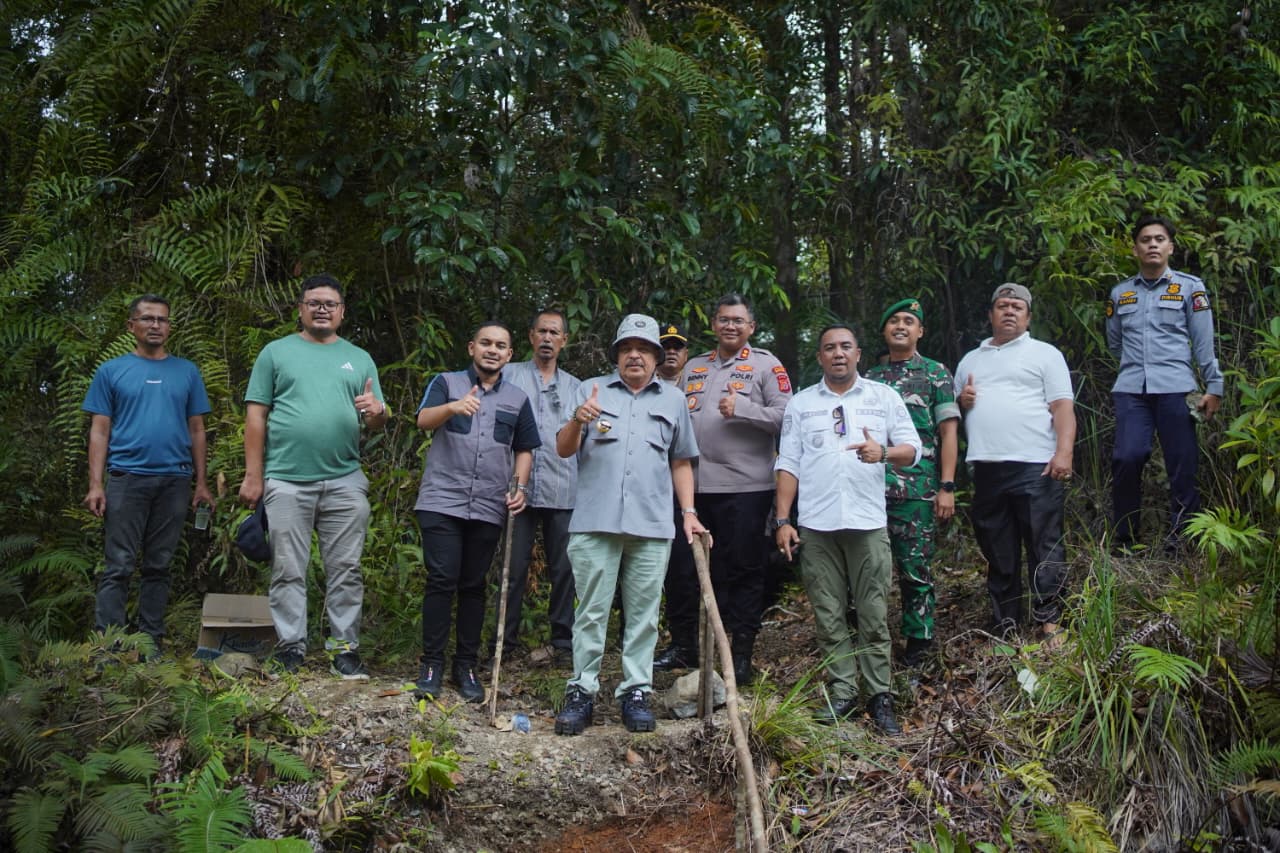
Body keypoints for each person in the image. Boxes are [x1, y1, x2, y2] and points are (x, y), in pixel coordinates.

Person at [553, 314, 707, 735]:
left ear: (657, 357)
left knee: (643, 615)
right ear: (616, 355)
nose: (634, 355)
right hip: (595, 521)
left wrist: (688, 512)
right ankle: (581, 690)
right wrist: (577, 420)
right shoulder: (591, 390)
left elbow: (681, 460)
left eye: (643, 349)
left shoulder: (673, 400)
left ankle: (636, 691)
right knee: (590, 612)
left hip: (652, 525)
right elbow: (563, 449)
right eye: (626, 348)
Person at [240, 274, 388, 678]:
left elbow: (376, 418)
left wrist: (378, 412)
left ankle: (344, 649)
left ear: (342, 312)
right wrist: (254, 475)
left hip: (344, 478)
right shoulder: (276, 353)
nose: (322, 309)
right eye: (314, 303)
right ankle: (291, 647)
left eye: (330, 304)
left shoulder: (359, 358)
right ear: (301, 309)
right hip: (286, 478)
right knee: (288, 568)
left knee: (346, 568)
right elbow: (256, 416)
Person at [774, 324, 920, 732]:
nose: (838, 353)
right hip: (816, 525)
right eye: (829, 348)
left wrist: (883, 452)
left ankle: (879, 695)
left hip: (866, 522)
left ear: (858, 353)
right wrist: (783, 519)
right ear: (819, 357)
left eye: (845, 347)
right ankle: (842, 692)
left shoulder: (882, 397)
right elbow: (788, 462)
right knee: (828, 613)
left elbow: (913, 450)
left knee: (873, 614)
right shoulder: (802, 404)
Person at [656, 295, 791, 683]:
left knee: (743, 569)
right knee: (682, 568)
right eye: (723, 320)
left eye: (738, 320)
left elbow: (788, 416)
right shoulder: (695, 366)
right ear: (714, 324)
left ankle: (741, 652)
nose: (730, 326)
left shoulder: (766, 364)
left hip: (744, 488)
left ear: (751, 327)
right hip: (692, 490)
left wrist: (744, 409)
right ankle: (684, 645)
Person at [413, 322, 539, 703]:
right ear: (472, 347)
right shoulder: (447, 383)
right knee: (441, 579)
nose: (492, 350)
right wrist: (452, 407)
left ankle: (465, 665)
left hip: (488, 504)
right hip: (442, 500)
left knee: (473, 585)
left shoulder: (517, 398)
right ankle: (431, 664)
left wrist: (520, 487)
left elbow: (525, 448)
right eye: (486, 343)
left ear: (509, 355)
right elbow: (422, 420)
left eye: (500, 345)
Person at [83, 294, 213, 658]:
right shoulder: (112, 371)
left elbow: (197, 428)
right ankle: (109, 648)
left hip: (175, 480)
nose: (156, 325)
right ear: (132, 326)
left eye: (162, 320)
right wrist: (96, 484)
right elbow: (99, 429)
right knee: (119, 565)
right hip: (126, 478)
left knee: (159, 565)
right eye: (148, 319)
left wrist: (202, 483)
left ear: (169, 327)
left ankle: (150, 644)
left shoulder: (186, 371)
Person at [954, 283, 1075, 649]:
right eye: (1002, 305)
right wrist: (962, 401)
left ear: (1028, 317)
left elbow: (1062, 408)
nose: (1009, 311)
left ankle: (1050, 621)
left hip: (1036, 463)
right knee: (998, 548)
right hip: (987, 465)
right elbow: (957, 413)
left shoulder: (1045, 354)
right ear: (990, 314)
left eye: (1017, 307)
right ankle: (1005, 623)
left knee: (1043, 543)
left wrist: (1064, 453)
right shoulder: (970, 360)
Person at [1106, 215, 1223, 551]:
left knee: (1182, 463)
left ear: (1171, 247)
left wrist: (1214, 386)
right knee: (1127, 457)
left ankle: (1182, 543)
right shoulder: (1121, 293)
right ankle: (1126, 541)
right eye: (1145, 240)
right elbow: (1114, 342)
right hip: (1132, 390)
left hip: (1176, 387)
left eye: (1159, 239)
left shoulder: (1189, 287)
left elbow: (1203, 342)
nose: (1153, 245)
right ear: (1135, 249)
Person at [865, 298, 960, 667]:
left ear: (920, 331)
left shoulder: (936, 374)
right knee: (869, 569)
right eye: (894, 321)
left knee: (914, 569)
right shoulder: (870, 377)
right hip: (870, 489)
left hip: (916, 490)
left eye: (909, 321)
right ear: (884, 331)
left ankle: (919, 643)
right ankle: (870, 641)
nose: (901, 326)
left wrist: (946, 486)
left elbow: (948, 433)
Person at [490, 310, 580, 666]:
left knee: (564, 570)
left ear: (564, 340)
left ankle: (563, 643)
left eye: (554, 333)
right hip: (517, 488)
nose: (547, 338)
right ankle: (503, 644)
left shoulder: (576, 387)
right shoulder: (508, 376)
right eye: (541, 331)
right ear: (530, 336)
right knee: (512, 568)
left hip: (563, 487)